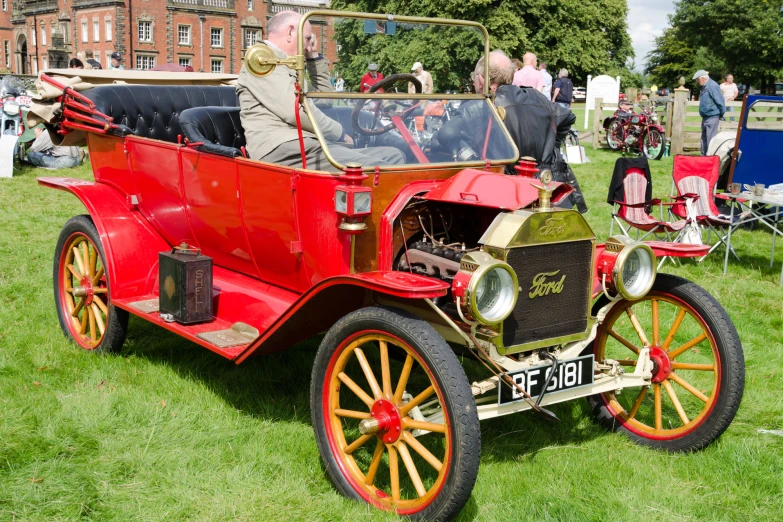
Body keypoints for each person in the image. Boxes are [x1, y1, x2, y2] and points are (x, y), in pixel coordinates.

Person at [236, 11, 404, 171]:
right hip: (282, 148)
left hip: (308, 144)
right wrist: (339, 134)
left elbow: (325, 99)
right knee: (380, 169)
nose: (308, 47)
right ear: (290, 32)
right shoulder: (262, 61)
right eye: (307, 38)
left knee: (395, 157)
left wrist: (314, 57)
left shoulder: (288, 64)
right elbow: (296, 111)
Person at [435, 50, 587, 212]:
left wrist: (465, 151)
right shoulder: (536, 96)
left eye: (474, 78)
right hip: (548, 187)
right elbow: (568, 117)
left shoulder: (482, 105)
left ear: (481, 79)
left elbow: (446, 134)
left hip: (506, 191)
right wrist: (551, 145)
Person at [693, 70, 725, 155]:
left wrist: (720, 114)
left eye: (697, 79)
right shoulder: (704, 87)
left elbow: (720, 102)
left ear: (703, 78)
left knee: (710, 139)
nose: (697, 81)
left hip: (712, 116)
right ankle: (703, 156)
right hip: (706, 117)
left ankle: (709, 157)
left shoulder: (713, 86)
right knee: (704, 138)